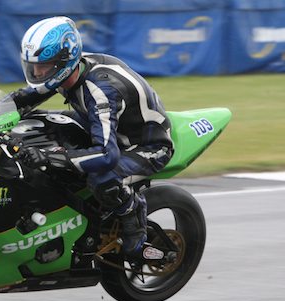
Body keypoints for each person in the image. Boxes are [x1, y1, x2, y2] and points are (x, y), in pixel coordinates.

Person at [10, 16, 173, 256]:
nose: (36, 72)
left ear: (64, 62)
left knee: (101, 177)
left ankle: (133, 211)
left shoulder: (100, 90)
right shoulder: (67, 70)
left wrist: (52, 157)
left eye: (43, 66)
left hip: (145, 145)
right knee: (37, 123)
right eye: (33, 65)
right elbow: (26, 98)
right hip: (104, 126)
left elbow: (107, 155)